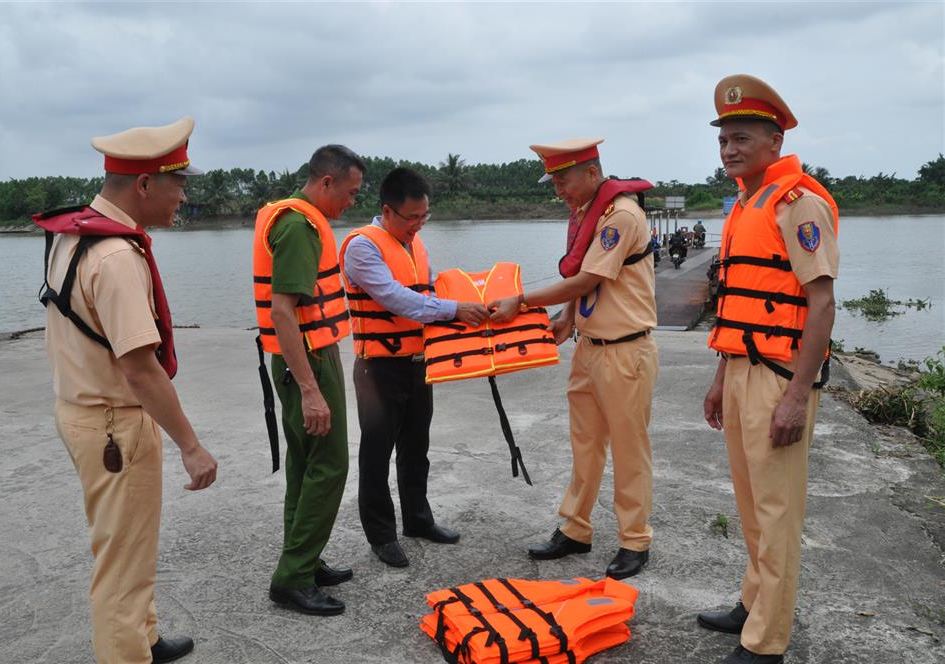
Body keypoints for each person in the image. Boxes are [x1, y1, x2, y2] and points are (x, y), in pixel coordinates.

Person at [35, 116, 218, 664]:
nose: (184, 195)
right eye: (178, 183)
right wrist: (191, 445)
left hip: (82, 411)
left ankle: (145, 637)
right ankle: (127, 648)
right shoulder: (114, 257)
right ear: (144, 185)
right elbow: (140, 368)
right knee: (122, 567)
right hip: (114, 422)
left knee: (126, 545)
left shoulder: (74, 232)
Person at [698, 75, 839, 664]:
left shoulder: (797, 202)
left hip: (780, 375)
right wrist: (718, 377)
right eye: (725, 139)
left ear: (775, 143)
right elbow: (737, 301)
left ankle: (767, 641)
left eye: (743, 138)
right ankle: (754, 602)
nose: (730, 149)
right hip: (739, 369)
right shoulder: (745, 203)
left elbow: (822, 302)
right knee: (753, 502)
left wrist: (795, 395)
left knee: (777, 509)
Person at [490, 138, 658, 581]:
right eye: (554, 182)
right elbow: (590, 285)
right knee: (584, 446)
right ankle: (576, 529)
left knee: (628, 449)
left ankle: (634, 539)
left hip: (625, 350)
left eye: (562, 179)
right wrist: (567, 318)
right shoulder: (588, 213)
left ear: (590, 171)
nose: (558, 189)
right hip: (590, 347)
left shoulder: (619, 215)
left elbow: (587, 276)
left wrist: (521, 300)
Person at [339, 167, 488, 568]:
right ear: (388, 211)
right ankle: (381, 536)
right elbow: (395, 299)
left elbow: (427, 289)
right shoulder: (362, 246)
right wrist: (457, 309)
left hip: (419, 362)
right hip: (378, 369)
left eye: (424, 217)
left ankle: (418, 520)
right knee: (376, 452)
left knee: (416, 447)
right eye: (412, 218)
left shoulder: (413, 243)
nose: (419, 225)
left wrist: (477, 295)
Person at [252, 145, 362, 616]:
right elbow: (282, 310)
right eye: (351, 193)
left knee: (304, 463)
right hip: (308, 362)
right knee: (330, 463)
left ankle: (304, 559)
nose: (352, 203)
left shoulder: (291, 217)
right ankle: (294, 577)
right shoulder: (299, 225)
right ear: (327, 183)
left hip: (308, 356)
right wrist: (312, 389)